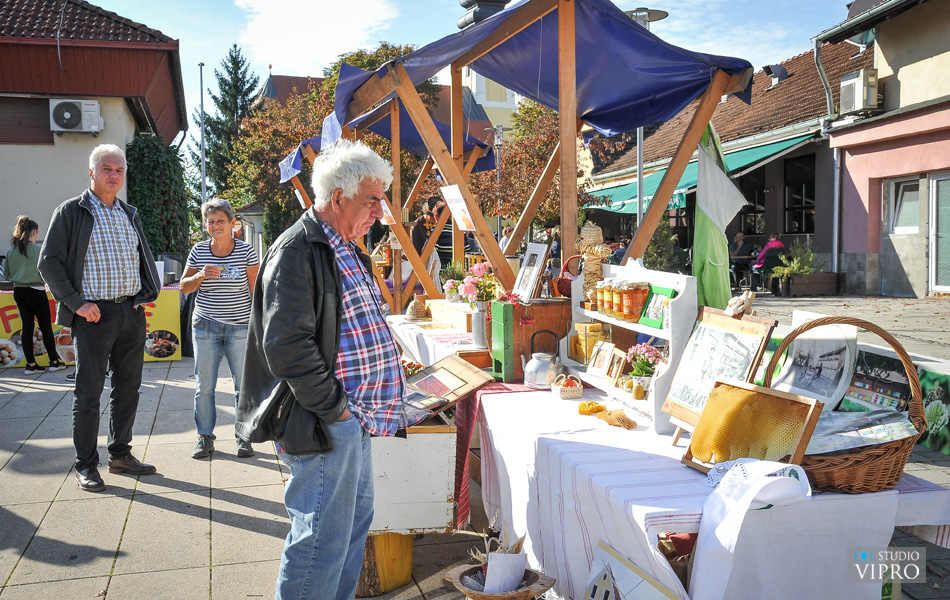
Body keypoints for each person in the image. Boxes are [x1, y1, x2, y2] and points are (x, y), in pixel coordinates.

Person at [235, 139, 405, 600]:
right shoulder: (297, 249)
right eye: (373, 199)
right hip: (325, 421)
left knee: (349, 530)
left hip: (352, 419)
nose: (381, 211)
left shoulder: (343, 245)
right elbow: (286, 347)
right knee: (320, 543)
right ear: (337, 198)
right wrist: (338, 412)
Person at [38, 144, 161, 493]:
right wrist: (76, 303)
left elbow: (140, 259)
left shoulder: (128, 213)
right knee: (88, 392)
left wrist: (143, 297)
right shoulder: (71, 212)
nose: (113, 175)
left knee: (128, 389)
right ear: (91, 173)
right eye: (106, 169)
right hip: (93, 316)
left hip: (130, 312)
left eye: (119, 170)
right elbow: (49, 263)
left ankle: (120, 454)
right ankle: (86, 465)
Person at [180, 199, 260, 460]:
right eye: (211, 221)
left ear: (232, 223)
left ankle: (243, 437)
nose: (215, 225)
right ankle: (205, 437)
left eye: (220, 221)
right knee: (204, 386)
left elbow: (254, 289)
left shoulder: (246, 251)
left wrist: (258, 324)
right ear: (206, 225)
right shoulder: (199, 251)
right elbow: (184, 287)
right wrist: (201, 275)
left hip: (239, 327)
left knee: (243, 386)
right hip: (206, 327)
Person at [6, 216, 66, 375]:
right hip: (37, 291)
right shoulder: (39, 251)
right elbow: (47, 272)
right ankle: (54, 361)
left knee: (27, 327)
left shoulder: (11, 252)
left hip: (19, 291)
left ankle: (30, 364)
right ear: (34, 232)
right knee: (45, 326)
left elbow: (6, 275)